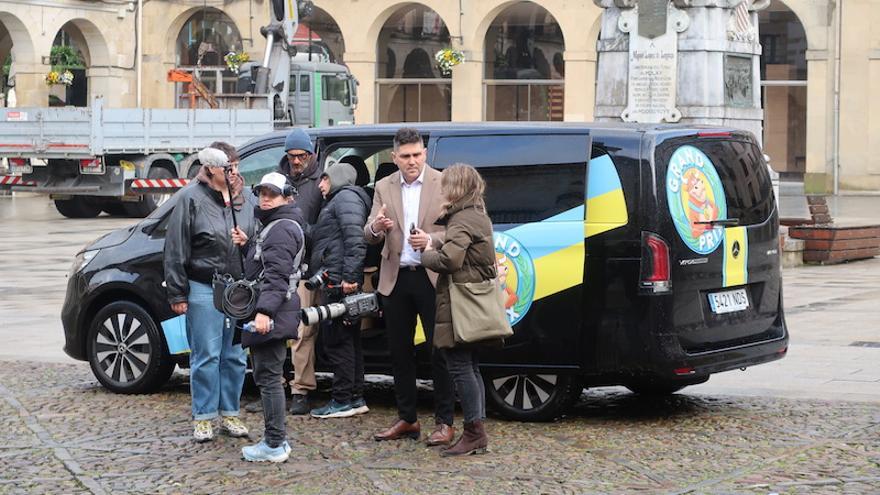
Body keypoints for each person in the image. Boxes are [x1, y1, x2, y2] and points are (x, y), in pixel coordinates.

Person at [365, 127, 456, 446]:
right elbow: (369, 233)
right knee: (400, 353)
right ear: (395, 158)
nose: (412, 161)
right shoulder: (383, 186)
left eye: (417, 154)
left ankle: (445, 422)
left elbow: (458, 230)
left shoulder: (443, 182)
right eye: (405, 156)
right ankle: (408, 418)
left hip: (432, 276)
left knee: (440, 351)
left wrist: (432, 239)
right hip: (396, 278)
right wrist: (377, 226)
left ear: (425, 154)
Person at [164, 143, 256, 442]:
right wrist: (178, 294)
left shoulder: (247, 198)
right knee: (207, 355)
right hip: (205, 286)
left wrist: (248, 241)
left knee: (235, 356)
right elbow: (176, 247)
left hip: (239, 289)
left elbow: (260, 236)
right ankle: (203, 416)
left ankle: (230, 413)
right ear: (212, 168)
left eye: (237, 167)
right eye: (228, 168)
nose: (234, 173)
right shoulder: (191, 198)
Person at [421, 163, 500, 456]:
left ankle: (473, 433)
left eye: (445, 185)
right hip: (472, 300)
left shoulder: (462, 218)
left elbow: (450, 261)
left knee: (460, 367)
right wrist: (437, 239)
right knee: (471, 367)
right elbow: (462, 243)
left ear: (455, 188)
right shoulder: (475, 212)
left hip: (461, 301)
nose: (441, 190)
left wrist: (425, 255)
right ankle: (476, 432)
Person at [232, 172, 305, 462]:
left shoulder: (280, 228)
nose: (264, 198)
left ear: (287, 197)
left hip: (274, 311)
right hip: (278, 309)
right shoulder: (276, 226)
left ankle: (274, 443)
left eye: (272, 194)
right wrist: (250, 245)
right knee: (269, 376)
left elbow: (277, 276)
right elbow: (268, 264)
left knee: (269, 379)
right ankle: (276, 441)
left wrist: (263, 312)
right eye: (262, 192)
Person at [308, 162, 372, 418]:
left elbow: (355, 239)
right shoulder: (344, 199)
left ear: (336, 178)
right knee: (350, 340)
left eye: (324, 179)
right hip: (337, 278)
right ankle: (355, 397)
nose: (320, 184)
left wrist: (349, 278)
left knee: (338, 342)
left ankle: (342, 399)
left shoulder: (345, 198)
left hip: (338, 282)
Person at [277, 128, 322, 415]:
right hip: (278, 267)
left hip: (306, 269)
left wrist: (303, 229)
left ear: (310, 155)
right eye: (292, 156)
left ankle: (301, 390)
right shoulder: (277, 181)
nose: (296, 161)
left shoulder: (320, 184)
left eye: (301, 156)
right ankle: (274, 386)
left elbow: (324, 228)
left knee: (303, 333)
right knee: (275, 332)